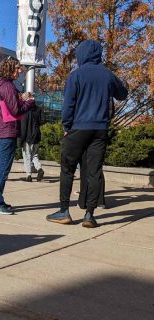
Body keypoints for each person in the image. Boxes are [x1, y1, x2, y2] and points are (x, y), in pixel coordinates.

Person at [46, 40, 128, 228]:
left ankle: (64, 211)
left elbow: (68, 106)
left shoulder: (75, 76)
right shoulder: (107, 75)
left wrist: (67, 126)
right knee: (93, 171)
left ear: (81, 54)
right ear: (98, 55)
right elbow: (123, 94)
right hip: (100, 129)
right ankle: (89, 214)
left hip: (78, 128)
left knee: (67, 168)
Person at [0, 56, 35, 215]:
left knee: (3, 169)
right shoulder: (7, 86)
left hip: (2, 130)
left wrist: (20, 98)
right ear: (9, 68)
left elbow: (8, 105)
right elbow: (15, 110)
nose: (20, 71)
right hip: (7, 130)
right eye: (17, 68)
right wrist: (30, 103)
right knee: (3, 169)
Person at [19, 101, 45, 182]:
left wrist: (20, 140)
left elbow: (23, 127)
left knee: (27, 156)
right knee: (35, 155)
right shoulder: (39, 109)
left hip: (27, 137)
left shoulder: (24, 110)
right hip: (36, 135)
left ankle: (28, 175)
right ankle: (39, 168)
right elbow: (43, 120)